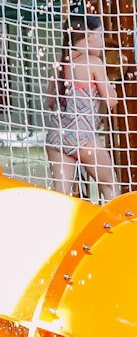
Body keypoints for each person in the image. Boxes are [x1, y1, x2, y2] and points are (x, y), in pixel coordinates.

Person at [45, 14, 120, 202]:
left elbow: (50, 102)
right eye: (100, 35)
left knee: (61, 196)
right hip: (82, 137)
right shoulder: (93, 62)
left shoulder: (61, 63)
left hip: (57, 136)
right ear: (88, 36)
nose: (103, 41)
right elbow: (111, 100)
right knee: (110, 185)